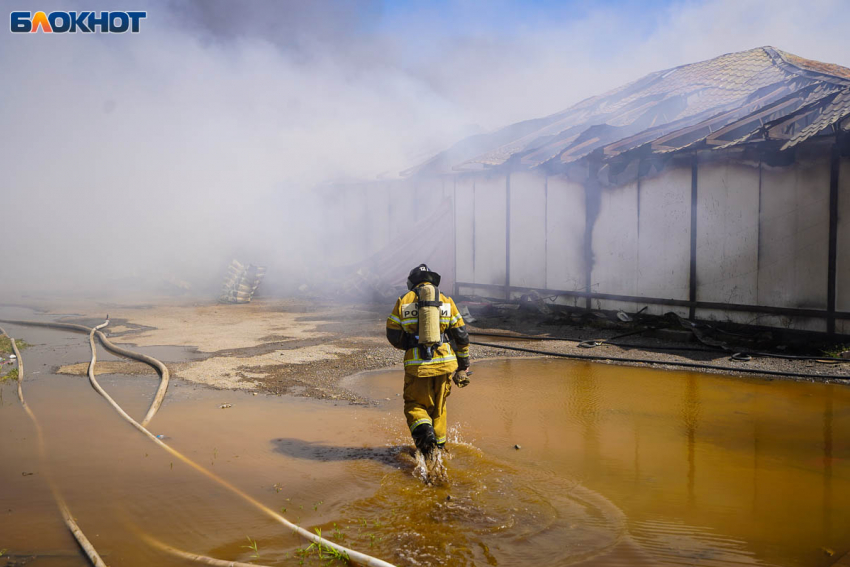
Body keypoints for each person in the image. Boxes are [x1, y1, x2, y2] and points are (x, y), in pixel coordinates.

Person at [386, 264, 470, 462]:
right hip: (445, 365)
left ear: (412, 281)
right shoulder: (446, 300)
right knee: (438, 408)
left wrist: (412, 343)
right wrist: (463, 365)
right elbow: (461, 335)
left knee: (415, 405)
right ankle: (438, 451)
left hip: (418, 367)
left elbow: (393, 334)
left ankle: (426, 439)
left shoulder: (404, 300)